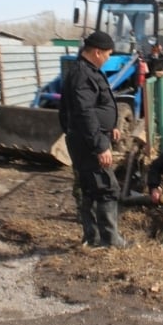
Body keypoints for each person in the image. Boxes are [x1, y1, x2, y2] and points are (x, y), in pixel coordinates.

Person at [59, 31, 128, 248]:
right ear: (97, 52)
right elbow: (84, 112)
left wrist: (109, 129)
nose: (108, 58)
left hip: (85, 138)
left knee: (90, 187)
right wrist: (99, 145)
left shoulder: (86, 70)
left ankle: (94, 238)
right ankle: (110, 241)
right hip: (88, 142)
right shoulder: (83, 74)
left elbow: (89, 109)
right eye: (107, 54)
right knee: (107, 188)